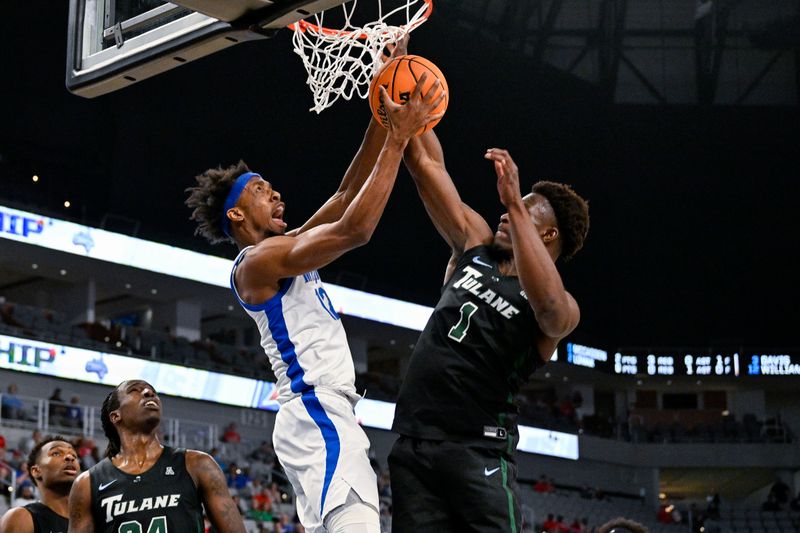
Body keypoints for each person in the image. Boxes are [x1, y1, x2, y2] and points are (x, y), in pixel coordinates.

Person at [184, 38, 444, 533]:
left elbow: (348, 194)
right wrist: (397, 139)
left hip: (321, 415)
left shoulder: (287, 251)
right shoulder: (256, 263)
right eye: (261, 190)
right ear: (237, 214)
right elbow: (356, 230)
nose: (276, 191)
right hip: (316, 409)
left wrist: (386, 94)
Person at [389, 88, 590, 530]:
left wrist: (516, 202)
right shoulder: (475, 246)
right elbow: (426, 168)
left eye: (522, 214)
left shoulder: (562, 307)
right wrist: (402, 82)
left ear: (550, 235)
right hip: (414, 442)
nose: (502, 216)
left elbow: (550, 309)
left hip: (477, 451)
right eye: (510, 211)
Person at [67, 380, 246, 532]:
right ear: (115, 416)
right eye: (135, 391)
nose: (148, 393)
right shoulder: (87, 484)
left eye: (152, 392)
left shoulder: (197, 464)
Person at [0, 436, 80, 533]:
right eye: (56, 453)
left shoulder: (92, 521)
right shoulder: (21, 518)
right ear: (36, 471)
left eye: (74, 456)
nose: (70, 457)